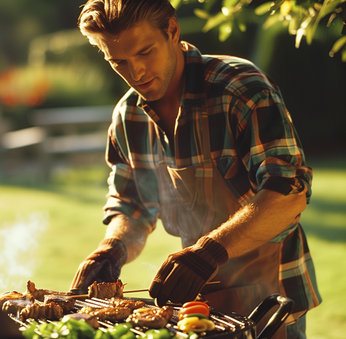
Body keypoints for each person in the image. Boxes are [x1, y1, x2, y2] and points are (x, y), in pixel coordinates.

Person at [70, 0, 321, 337]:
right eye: (119, 62)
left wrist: (209, 251)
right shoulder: (128, 117)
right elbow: (132, 207)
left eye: (145, 52)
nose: (136, 74)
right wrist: (112, 247)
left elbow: (289, 194)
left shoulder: (240, 89)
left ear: (172, 30)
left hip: (270, 296)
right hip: (195, 302)